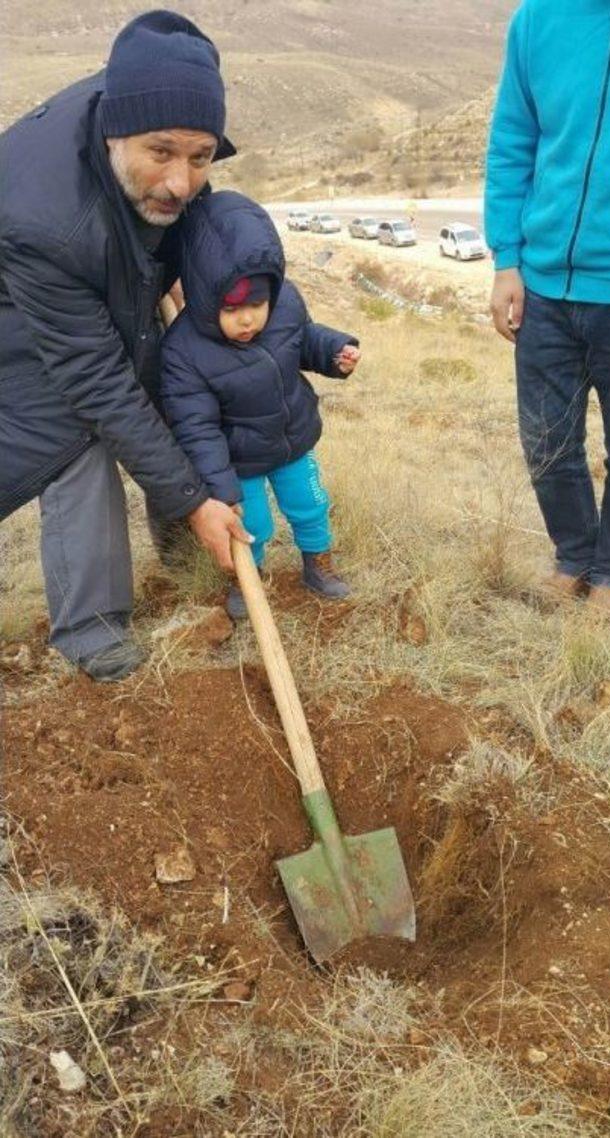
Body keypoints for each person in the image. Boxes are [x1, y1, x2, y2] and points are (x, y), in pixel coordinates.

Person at [0, 10, 252, 682]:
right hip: (17, 311)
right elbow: (97, 380)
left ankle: (191, 553)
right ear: (117, 134)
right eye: (163, 154)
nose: (181, 180)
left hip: (101, 278)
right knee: (74, 436)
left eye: (201, 158)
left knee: (168, 377)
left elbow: (183, 225)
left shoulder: (158, 108)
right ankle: (94, 633)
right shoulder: (41, 217)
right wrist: (198, 499)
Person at [485, 0, 610, 613]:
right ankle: (574, 556)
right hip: (544, 287)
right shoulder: (537, 19)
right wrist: (507, 259)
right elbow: (512, 144)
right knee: (547, 443)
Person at [160, 191, 361, 619]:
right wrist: (221, 488)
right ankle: (247, 581)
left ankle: (317, 566)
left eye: (257, 305)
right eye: (233, 309)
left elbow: (302, 340)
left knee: (310, 505)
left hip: (292, 441)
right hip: (238, 462)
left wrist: (334, 352)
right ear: (202, 296)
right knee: (250, 526)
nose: (248, 319)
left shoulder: (284, 304)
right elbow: (196, 428)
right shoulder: (184, 350)